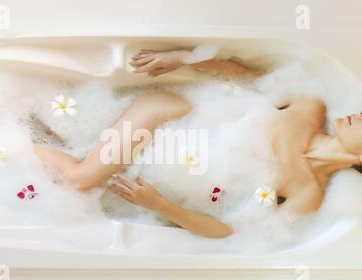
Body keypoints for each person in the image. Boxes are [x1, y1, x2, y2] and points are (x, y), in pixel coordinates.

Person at [34, 47, 362, 238]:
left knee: (84, 169)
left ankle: (38, 137)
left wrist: (159, 205)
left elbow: (229, 231)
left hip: (167, 165)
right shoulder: (309, 107)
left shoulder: (308, 194)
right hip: (168, 116)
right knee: (80, 180)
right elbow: (245, 75)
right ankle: (7, 138)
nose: (359, 114)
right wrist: (184, 57)